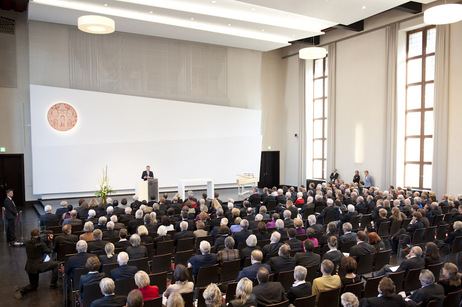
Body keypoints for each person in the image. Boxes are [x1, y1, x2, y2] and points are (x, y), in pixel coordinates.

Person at [13, 229, 59, 299]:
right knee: (56, 264)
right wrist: (49, 241)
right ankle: (53, 284)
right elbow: (50, 251)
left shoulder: (27, 243)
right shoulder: (41, 245)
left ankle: (22, 290)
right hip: (38, 266)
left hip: (29, 267)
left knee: (33, 285)